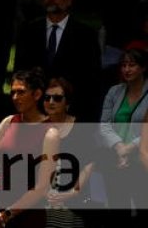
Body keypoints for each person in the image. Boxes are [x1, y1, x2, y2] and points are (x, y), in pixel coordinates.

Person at [13, 0, 102, 120]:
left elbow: (92, 78)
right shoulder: (29, 30)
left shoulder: (85, 35)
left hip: (71, 111)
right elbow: (20, 70)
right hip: (35, 109)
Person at [0, 69, 51, 228]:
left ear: (37, 95)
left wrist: (8, 214)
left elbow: (42, 186)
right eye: (12, 92)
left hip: (26, 214)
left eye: (21, 92)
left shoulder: (49, 132)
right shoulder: (8, 122)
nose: (15, 97)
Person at [96, 47, 148, 227]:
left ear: (143, 68)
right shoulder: (114, 91)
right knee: (118, 210)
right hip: (115, 158)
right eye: (124, 65)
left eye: (132, 65)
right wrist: (119, 147)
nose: (126, 69)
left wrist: (129, 148)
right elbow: (104, 124)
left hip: (140, 159)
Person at [42, 79, 92, 228]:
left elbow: (90, 162)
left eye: (57, 98)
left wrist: (73, 192)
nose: (51, 102)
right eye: (47, 98)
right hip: (41, 202)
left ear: (67, 102)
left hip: (72, 202)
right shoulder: (38, 127)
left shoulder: (81, 128)